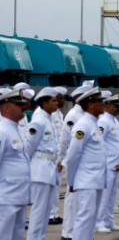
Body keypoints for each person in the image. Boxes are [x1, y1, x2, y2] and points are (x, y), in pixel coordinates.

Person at [65, 87, 107, 240]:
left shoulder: (93, 124)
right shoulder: (83, 125)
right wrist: (71, 181)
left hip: (95, 179)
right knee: (84, 218)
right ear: (90, 104)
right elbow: (72, 156)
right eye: (99, 102)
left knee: (90, 219)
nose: (103, 104)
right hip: (86, 180)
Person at [59, 82, 95, 240]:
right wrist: (61, 159)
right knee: (73, 201)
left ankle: (80, 233)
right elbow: (65, 140)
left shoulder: (87, 115)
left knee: (83, 203)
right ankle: (68, 233)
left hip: (85, 164)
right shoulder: (74, 115)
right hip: (76, 163)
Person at [27, 87, 62, 240]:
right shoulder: (39, 121)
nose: (57, 103)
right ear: (44, 103)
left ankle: (40, 237)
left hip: (49, 168)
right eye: (53, 101)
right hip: (40, 169)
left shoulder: (48, 118)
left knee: (46, 210)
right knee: (39, 210)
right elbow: (28, 147)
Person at [0, 89, 31, 240]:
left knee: (17, 236)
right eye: (19, 104)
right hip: (5, 198)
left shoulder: (15, 130)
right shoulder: (2, 131)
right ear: (6, 108)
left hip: (19, 195)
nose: (23, 107)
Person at [95, 93, 119, 233]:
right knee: (104, 195)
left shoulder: (114, 121)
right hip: (107, 164)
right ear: (108, 106)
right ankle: (99, 221)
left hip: (115, 164)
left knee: (112, 195)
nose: (118, 109)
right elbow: (100, 143)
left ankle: (108, 220)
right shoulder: (104, 121)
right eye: (115, 106)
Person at [48, 86, 67, 225]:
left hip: (57, 155)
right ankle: (50, 214)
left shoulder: (59, 114)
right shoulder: (51, 114)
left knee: (56, 186)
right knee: (51, 187)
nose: (62, 101)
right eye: (59, 98)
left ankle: (53, 213)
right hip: (51, 156)